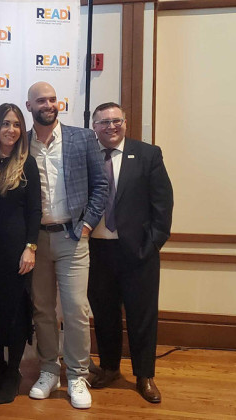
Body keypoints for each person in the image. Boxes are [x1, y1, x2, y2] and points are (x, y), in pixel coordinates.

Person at [25, 82, 108, 409]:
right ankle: (48, 370)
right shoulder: (22, 142)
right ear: (29, 106)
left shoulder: (82, 137)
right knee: (42, 310)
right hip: (35, 241)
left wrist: (87, 224)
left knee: (75, 310)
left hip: (73, 237)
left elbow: (101, 186)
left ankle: (77, 375)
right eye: (40, 100)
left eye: (51, 99)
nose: (48, 104)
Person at [87, 102, 173, 403]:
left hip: (139, 252)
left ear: (125, 123)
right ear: (93, 126)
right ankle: (110, 367)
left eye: (116, 121)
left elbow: (163, 204)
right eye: (103, 122)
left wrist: (151, 245)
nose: (110, 127)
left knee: (142, 316)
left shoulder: (148, 154)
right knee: (105, 314)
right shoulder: (86, 155)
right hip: (96, 251)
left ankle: (144, 375)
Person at [0, 104, 41, 405]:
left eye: (16, 124)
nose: (11, 130)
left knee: (15, 315)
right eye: (5, 124)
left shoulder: (27, 164)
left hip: (17, 253)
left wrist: (30, 247)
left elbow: (35, 210)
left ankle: (13, 372)